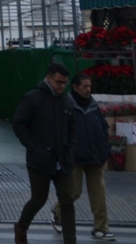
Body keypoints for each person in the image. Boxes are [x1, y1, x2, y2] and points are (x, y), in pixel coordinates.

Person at [12, 62, 77, 244]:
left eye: (65, 83)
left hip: (63, 160)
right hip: (39, 161)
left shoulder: (65, 100)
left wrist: (71, 150)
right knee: (38, 199)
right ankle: (21, 228)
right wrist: (33, 148)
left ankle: (71, 241)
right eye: (58, 82)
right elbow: (19, 124)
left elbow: (73, 127)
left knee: (67, 201)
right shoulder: (33, 98)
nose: (62, 86)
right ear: (48, 78)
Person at [51, 73, 115, 241]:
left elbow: (102, 127)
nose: (88, 89)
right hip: (76, 158)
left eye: (89, 86)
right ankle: (58, 211)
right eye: (84, 86)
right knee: (74, 192)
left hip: (95, 157)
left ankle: (101, 228)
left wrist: (105, 147)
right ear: (75, 87)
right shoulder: (66, 105)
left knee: (99, 194)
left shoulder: (93, 105)